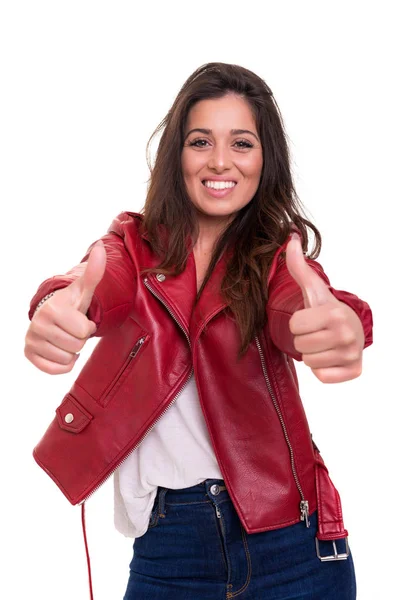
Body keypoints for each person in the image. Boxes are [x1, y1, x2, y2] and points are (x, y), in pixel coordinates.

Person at [25, 62, 373, 599]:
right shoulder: (131, 244)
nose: (219, 161)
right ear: (177, 156)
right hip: (170, 549)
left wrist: (339, 323)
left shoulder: (279, 257)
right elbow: (94, 283)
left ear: (265, 159)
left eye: (241, 143)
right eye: (200, 141)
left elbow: (298, 305)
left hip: (292, 543)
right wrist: (55, 305)